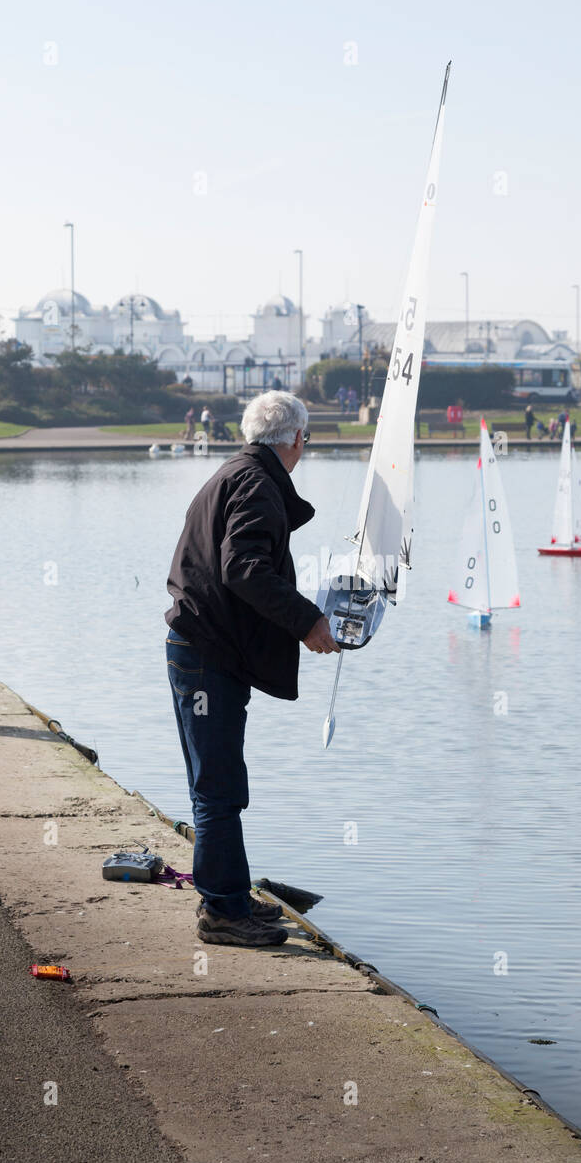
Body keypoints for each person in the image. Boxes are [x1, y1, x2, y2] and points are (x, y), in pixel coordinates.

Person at [165, 390, 340, 949]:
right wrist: (308, 622)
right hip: (203, 656)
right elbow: (244, 568)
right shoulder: (257, 484)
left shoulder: (241, 474)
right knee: (217, 789)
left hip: (206, 650)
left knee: (223, 785)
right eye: (305, 440)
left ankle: (232, 900)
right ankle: (222, 914)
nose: (303, 449)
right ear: (294, 440)